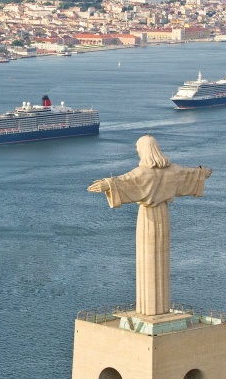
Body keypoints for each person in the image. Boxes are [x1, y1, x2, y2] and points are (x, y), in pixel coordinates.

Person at [88, 135, 212, 316]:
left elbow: (124, 181)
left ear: (144, 150)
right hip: (163, 216)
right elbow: (189, 174)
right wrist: (202, 173)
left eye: (138, 148)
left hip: (147, 218)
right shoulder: (172, 170)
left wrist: (107, 184)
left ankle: (151, 313)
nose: (137, 151)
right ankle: (157, 311)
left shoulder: (143, 173)